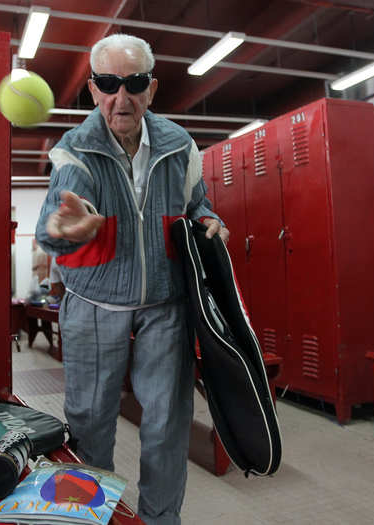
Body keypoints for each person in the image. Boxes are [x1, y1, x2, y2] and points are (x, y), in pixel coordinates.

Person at [35, 33, 229, 525]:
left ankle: (161, 519)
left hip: (165, 306)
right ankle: (86, 520)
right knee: (89, 424)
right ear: (94, 90)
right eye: (108, 84)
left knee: (168, 424)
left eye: (134, 83)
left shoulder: (180, 145)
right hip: (94, 305)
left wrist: (209, 220)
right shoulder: (74, 150)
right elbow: (53, 223)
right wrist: (65, 229)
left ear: (152, 88)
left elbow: (195, 203)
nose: (121, 98)